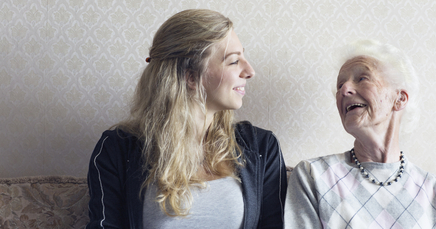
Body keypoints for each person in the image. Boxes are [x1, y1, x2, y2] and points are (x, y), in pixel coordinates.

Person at [86, 9, 287, 229]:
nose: (249, 71)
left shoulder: (262, 147)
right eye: (233, 61)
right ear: (190, 76)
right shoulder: (117, 149)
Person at [284, 40, 436, 228]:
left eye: (362, 78)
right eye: (339, 85)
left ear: (400, 98)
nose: (344, 90)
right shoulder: (314, 176)